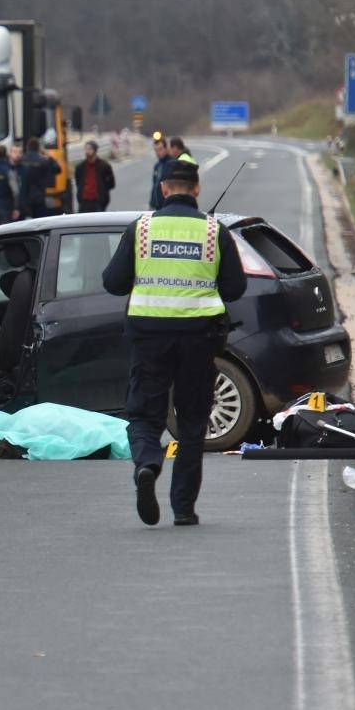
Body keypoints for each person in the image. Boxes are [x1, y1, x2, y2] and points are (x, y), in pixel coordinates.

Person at [101, 158, 246, 527]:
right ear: (196, 189)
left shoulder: (142, 228)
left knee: (143, 415)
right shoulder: (215, 232)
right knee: (193, 422)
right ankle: (183, 508)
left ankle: (148, 464)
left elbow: (113, 282)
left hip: (149, 337)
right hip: (200, 338)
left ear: (163, 189)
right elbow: (235, 288)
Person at [18, 137, 61, 219]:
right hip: (39, 196)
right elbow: (57, 169)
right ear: (38, 148)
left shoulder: (21, 160)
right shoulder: (43, 161)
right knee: (40, 221)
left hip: (25, 197)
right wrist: (49, 157)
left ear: (28, 147)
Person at [73, 140, 116, 212]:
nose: (87, 151)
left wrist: (103, 192)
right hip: (84, 202)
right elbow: (78, 182)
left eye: (89, 149)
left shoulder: (104, 166)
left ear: (95, 150)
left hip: (98, 202)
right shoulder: (80, 167)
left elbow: (111, 183)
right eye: (86, 149)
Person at [148, 132, 173, 211]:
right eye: (156, 150)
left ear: (166, 149)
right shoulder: (157, 166)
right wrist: (151, 204)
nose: (158, 152)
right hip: (157, 207)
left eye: (160, 149)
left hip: (168, 206)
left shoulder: (172, 164)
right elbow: (154, 186)